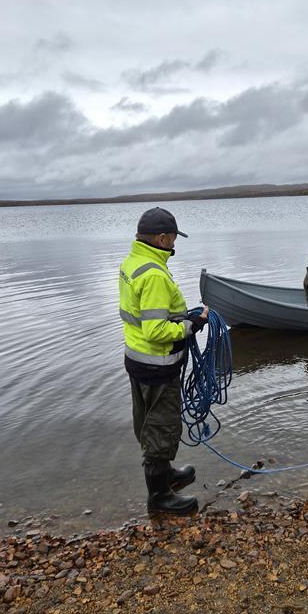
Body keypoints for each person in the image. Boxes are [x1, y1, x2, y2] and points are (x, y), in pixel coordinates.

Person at [119, 207, 208, 516]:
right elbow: (156, 330)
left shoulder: (134, 262)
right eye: (172, 238)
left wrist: (183, 317)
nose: (174, 243)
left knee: (147, 422)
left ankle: (166, 475)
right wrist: (192, 325)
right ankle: (159, 496)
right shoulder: (155, 274)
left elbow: (144, 317)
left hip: (136, 359)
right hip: (157, 365)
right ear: (161, 238)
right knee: (162, 426)